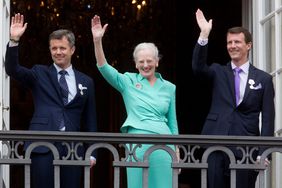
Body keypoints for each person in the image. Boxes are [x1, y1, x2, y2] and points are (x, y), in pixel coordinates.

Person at [5, 13, 97, 188]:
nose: (58, 52)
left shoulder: (86, 81)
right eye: (54, 48)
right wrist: (14, 40)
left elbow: (90, 120)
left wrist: (92, 152)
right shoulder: (40, 73)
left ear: (72, 50)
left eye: (62, 48)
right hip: (42, 146)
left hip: (73, 149)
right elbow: (12, 69)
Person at [91, 15, 179, 188]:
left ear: (157, 62)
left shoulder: (169, 87)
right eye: (141, 62)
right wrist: (97, 41)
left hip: (164, 145)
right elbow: (104, 68)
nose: (146, 65)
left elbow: (173, 121)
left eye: (149, 61)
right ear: (136, 64)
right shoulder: (128, 81)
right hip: (138, 144)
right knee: (138, 184)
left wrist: (176, 149)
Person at [192, 9, 275, 188]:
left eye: (237, 41)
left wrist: (264, 152)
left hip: (246, 149)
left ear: (249, 45)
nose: (232, 46)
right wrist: (204, 35)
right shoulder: (217, 71)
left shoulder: (264, 79)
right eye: (229, 42)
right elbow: (198, 68)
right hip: (215, 144)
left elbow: (268, 120)